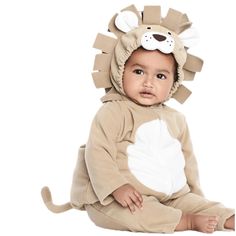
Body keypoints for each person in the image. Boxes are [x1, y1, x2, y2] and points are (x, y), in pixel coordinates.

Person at [41, 5, 235, 233]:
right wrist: (117, 186)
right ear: (120, 69)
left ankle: (228, 218)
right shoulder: (114, 112)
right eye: (139, 72)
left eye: (160, 76)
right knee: (137, 214)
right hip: (118, 198)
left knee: (204, 206)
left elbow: (188, 161)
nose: (148, 82)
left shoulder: (177, 119)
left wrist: (195, 195)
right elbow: (98, 152)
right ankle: (186, 221)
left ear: (174, 81)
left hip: (172, 196)